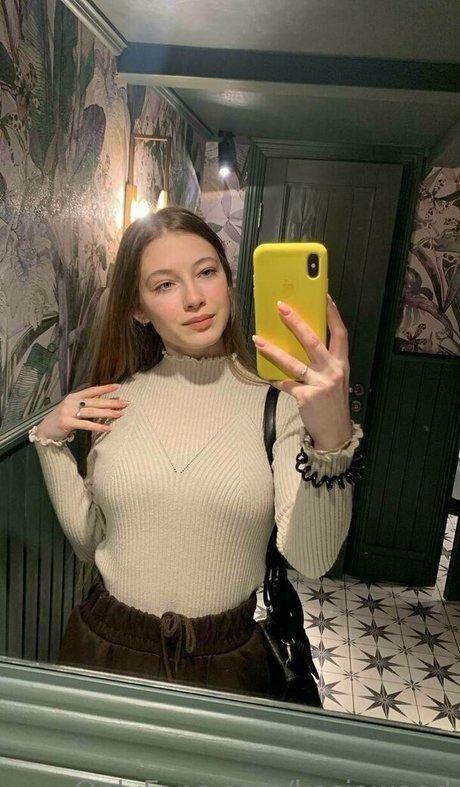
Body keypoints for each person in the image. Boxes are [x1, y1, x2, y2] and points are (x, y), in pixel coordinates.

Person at [29, 206, 362, 697]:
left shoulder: (279, 405)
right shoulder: (114, 399)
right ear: (138, 309)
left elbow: (312, 559)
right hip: (103, 646)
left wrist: (332, 439)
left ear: (227, 281)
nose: (194, 298)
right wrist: (49, 442)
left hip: (226, 662)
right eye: (165, 284)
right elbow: (90, 542)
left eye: (206, 272)